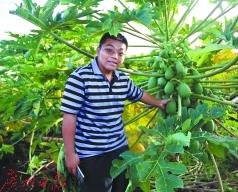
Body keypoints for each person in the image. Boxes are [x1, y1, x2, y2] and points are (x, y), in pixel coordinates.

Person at [60, 32, 168, 192]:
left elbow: (139, 94)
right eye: (109, 50)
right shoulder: (79, 78)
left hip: (119, 148)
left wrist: (159, 102)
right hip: (92, 153)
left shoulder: (122, 79)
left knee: (122, 189)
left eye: (120, 53)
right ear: (98, 51)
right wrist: (70, 154)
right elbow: (69, 117)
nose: (114, 56)